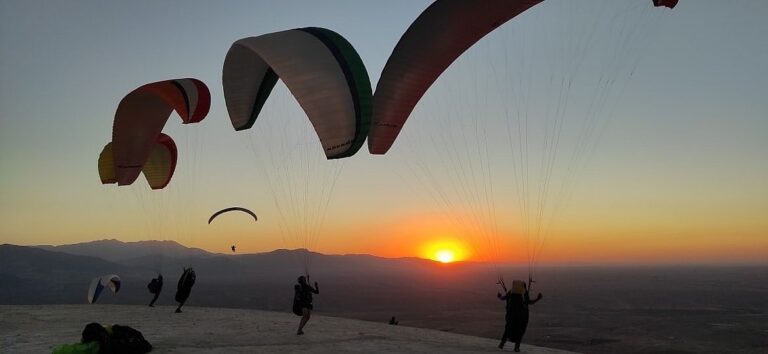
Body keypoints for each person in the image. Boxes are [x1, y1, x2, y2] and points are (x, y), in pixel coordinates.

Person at [497, 278, 542, 352]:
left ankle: (501, 344)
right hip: (521, 317)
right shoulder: (524, 294)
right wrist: (538, 298)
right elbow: (529, 302)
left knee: (507, 329)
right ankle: (516, 347)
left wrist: (499, 296)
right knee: (520, 331)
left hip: (511, 316)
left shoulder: (511, 292)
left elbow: (503, 298)